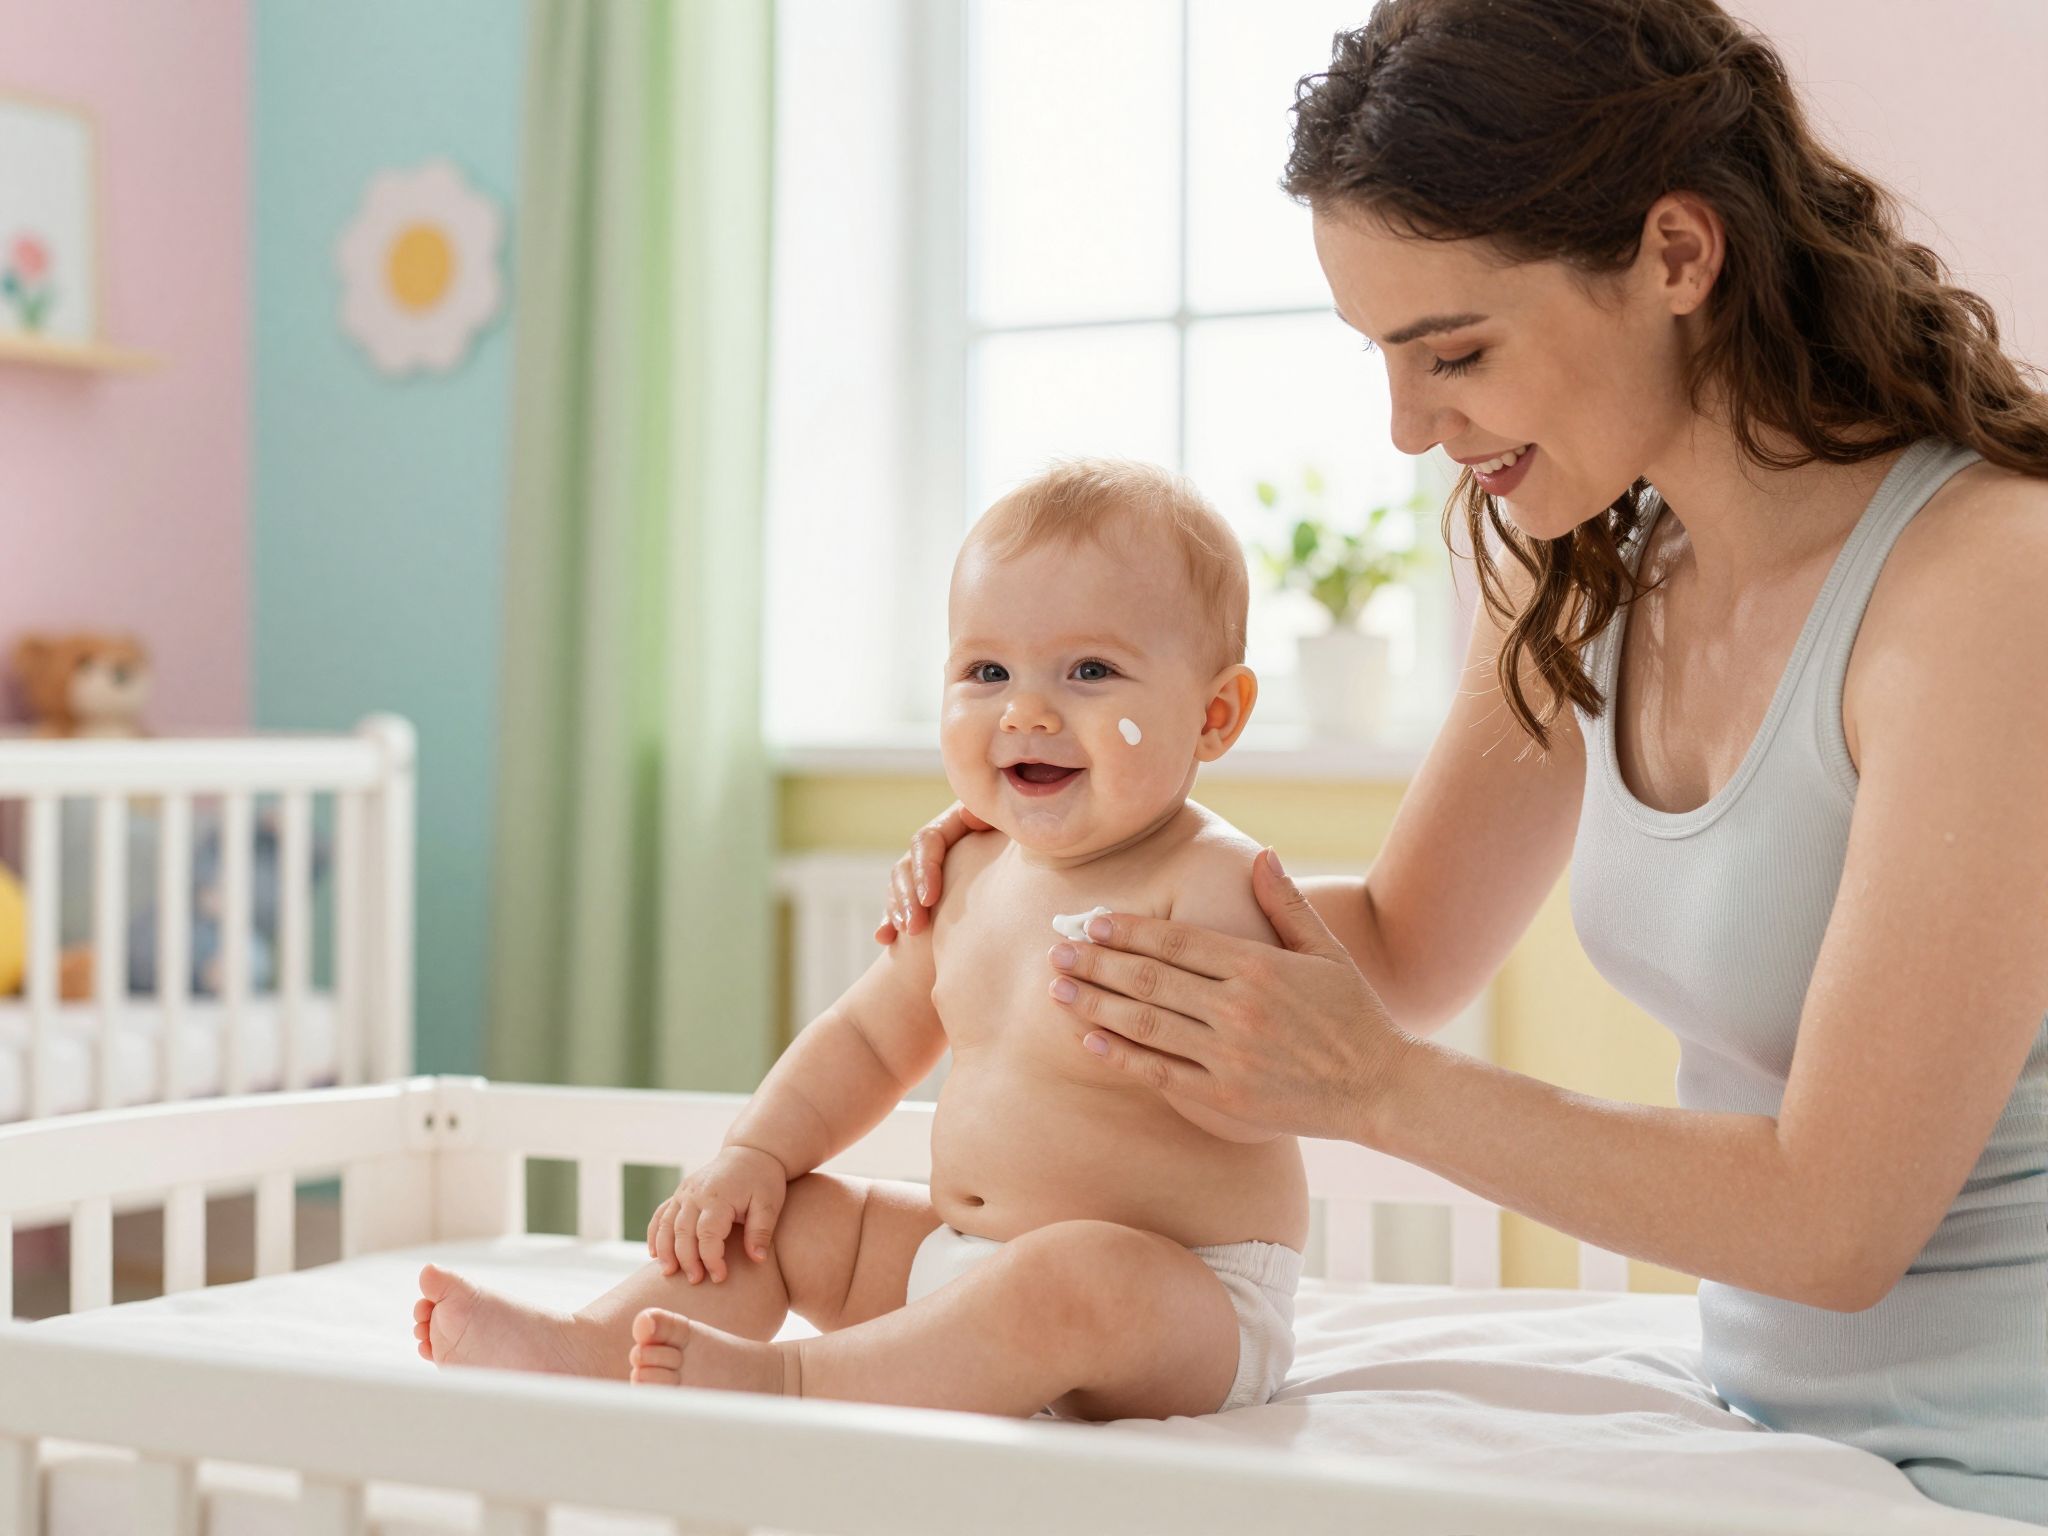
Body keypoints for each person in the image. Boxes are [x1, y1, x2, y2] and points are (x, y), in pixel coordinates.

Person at [876, 0, 2048, 1522]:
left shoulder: (1989, 587)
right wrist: (1057, 876)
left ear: (1676, 256)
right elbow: (1393, 948)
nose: (1407, 427)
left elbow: (1835, 1224)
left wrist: (1382, 1093)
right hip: (1781, 1437)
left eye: (1455, 352)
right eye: (1382, 357)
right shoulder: (1594, 567)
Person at [414, 458, 1308, 1421]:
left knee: (1073, 1270)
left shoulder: (1208, 885)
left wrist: (1188, 1058)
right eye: (987, 672)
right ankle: (593, 1348)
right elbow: (868, 1041)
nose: (1026, 710)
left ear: (1214, 715)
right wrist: (756, 1153)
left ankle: (797, 1381)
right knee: (785, 1216)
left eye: (1090, 671)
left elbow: (1270, 1096)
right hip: (964, 1267)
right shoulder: (967, 875)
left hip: (1178, 1306)